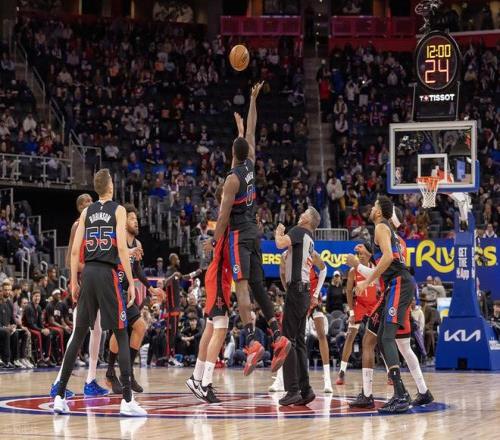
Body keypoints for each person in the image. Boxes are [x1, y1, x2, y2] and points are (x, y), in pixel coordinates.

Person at [203, 82, 290, 376]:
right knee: (258, 285)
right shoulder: (250, 165)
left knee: (241, 286)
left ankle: (252, 341)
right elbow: (251, 130)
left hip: (239, 234)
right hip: (255, 232)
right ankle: (277, 336)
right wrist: (253, 99)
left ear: (232, 151)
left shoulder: (231, 180)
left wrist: (214, 241)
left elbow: (223, 216)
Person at [52, 169, 146, 416]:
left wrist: (74, 281)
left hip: (88, 274)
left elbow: (75, 251)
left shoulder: (86, 212)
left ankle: (59, 396)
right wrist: (131, 282)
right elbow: (122, 250)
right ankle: (127, 400)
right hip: (107, 273)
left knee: (78, 334)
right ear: (111, 186)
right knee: (121, 333)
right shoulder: (118, 210)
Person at [347, 204, 433, 412]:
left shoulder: (382, 230)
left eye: (377, 206)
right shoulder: (398, 240)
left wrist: (359, 266)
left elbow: (385, 266)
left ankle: (395, 393)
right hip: (395, 290)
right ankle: (421, 390)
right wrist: (367, 257)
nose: (373, 207)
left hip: (394, 289)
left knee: (380, 340)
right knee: (401, 344)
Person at [50, 193, 109, 399]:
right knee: (79, 332)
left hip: (95, 282)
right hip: (84, 282)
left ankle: (90, 380)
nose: (91, 204)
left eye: (92, 201)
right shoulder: (78, 226)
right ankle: (58, 383)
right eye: (87, 202)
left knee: (97, 330)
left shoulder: (94, 227)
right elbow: (70, 260)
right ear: (80, 207)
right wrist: (85, 274)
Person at [106, 204, 164, 394]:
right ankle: (110, 372)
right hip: (112, 289)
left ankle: (128, 373)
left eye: (136, 219)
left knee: (140, 327)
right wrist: (127, 253)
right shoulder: (117, 239)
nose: (136, 222)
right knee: (119, 330)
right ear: (124, 222)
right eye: (132, 219)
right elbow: (110, 260)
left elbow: (137, 269)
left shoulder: (137, 243)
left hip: (126, 292)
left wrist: (150, 288)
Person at [186, 184, 232, 403]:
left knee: (211, 328)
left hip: (219, 275)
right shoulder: (225, 215)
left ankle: (197, 378)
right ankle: (205, 383)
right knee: (220, 329)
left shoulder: (227, 216)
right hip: (219, 275)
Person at [274, 207, 322, 406]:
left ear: (308, 220)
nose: (300, 214)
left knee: (287, 340)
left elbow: (279, 244)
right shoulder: (309, 239)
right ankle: (306, 390)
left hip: (297, 290)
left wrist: (278, 231)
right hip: (304, 292)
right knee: (299, 343)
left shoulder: (299, 231)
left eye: (304, 213)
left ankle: (292, 389)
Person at [270, 248, 329, 393]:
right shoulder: (284, 256)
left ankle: (327, 380)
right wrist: (288, 291)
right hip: (297, 294)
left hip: (312, 292)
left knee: (321, 334)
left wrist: (316, 294)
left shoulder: (310, 252)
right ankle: (280, 380)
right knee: (287, 337)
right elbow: (282, 275)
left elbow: (324, 269)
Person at [336, 242, 378, 385]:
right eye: (358, 254)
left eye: (362, 253)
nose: (360, 256)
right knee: (350, 336)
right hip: (359, 305)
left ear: (369, 254)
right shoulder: (353, 271)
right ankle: (342, 372)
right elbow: (348, 291)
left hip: (373, 305)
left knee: (380, 338)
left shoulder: (375, 268)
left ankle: (390, 373)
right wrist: (352, 312)